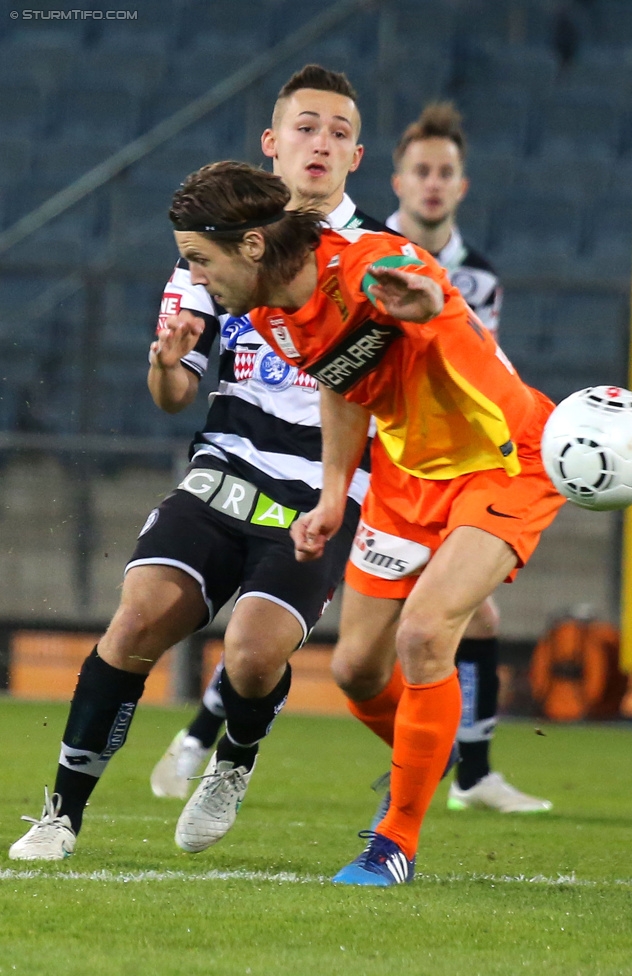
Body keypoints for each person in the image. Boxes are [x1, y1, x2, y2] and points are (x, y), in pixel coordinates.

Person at [8, 65, 383, 862]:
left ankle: (232, 760)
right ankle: (61, 812)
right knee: (139, 616)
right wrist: (167, 360)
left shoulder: (378, 258)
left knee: (250, 653)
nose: (321, 143)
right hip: (225, 468)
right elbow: (174, 394)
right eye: (306, 127)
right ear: (271, 144)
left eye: (339, 132)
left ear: (356, 157)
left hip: (322, 486)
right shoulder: (206, 250)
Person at [167, 160, 565, 886]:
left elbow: (426, 293)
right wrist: (330, 494)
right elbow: (343, 390)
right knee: (354, 670)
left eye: (199, 259)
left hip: (505, 458)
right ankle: (426, 746)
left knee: (423, 632)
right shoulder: (267, 315)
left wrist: (426, 305)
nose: (195, 277)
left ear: (251, 246)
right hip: (407, 477)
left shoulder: (370, 262)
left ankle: (394, 843)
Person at [370, 102, 552, 815]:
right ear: (398, 181)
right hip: (389, 458)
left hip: (457, 460)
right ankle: (206, 735)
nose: (433, 183)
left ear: (462, 185)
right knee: (341, 626)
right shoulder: (370, 255)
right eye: (421, 170)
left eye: (445, 172)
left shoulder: (478, 276)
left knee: (470, 619)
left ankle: (468, 772)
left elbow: (477, 366)